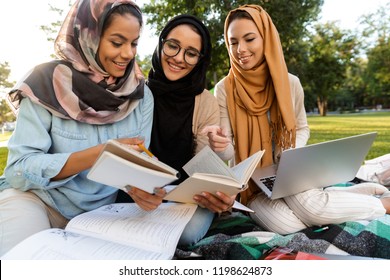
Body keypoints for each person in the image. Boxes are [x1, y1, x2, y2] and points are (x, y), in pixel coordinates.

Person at [201, 4, 390, 235]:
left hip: (289, 172)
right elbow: (229, 153)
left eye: (249, 39)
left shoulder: (290, 83)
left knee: (313, 210)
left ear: (266, 39)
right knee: (287, 225)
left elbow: (302, 128)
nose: (240, 49)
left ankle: (382, 205)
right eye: (233, 42)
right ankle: (342, 198)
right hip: (252, 186)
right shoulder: (224, 89)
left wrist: (289, 155)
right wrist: (219, 146)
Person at [0, 0, 158, 256]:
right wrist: (98, 153)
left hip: (100, 216)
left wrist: (139, 188)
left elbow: (135, 165)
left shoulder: (141, 96)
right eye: (117, 43)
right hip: (40, 202)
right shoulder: (45, 83)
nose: (128, 54)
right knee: (23, 259)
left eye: (134, 43)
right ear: (89, 37)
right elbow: (18, 170)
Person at [144, 14, 233, 246]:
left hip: (187, 195)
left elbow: (203, 172)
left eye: (191, 53)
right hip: (140, 191)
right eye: (173, 46)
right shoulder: (137, 93)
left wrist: (217, 150)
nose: (178, 58)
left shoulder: (206, 102)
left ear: (200, 59)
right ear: (161, 44)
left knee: (186, 234)